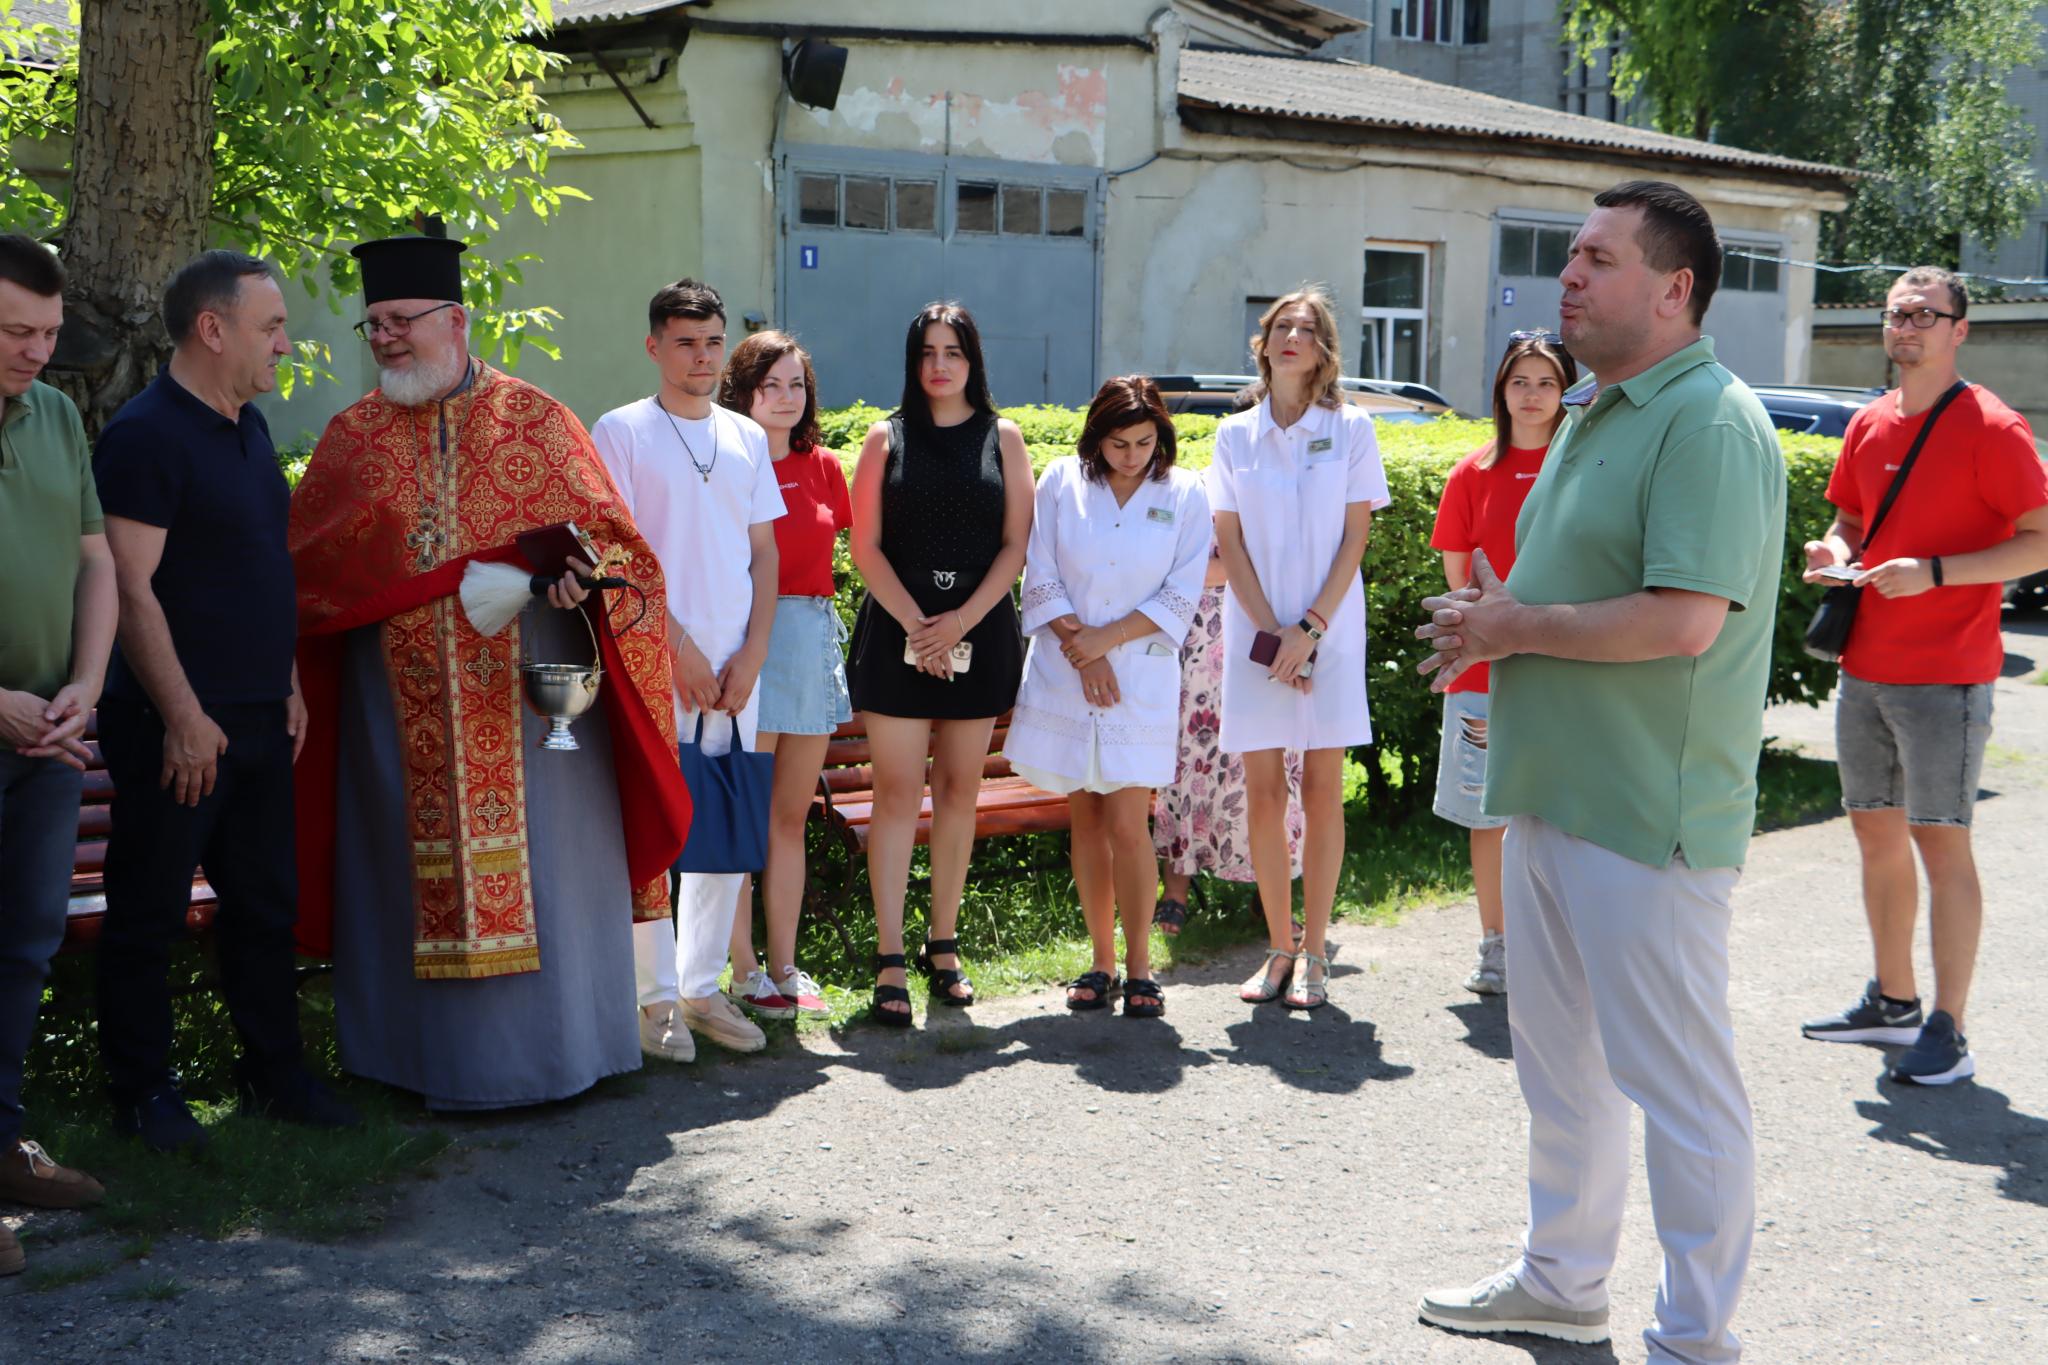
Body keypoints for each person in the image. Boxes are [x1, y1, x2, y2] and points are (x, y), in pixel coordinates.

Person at [1414, 181, 1784, 1364]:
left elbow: (1681, 621)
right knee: (1561, 1073)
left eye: (1596, 259)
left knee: (1678, 1091)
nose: (1565, 276)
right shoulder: (1595, 406)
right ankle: (1562, 1280)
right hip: (1554, 796)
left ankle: (1694, 1339)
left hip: (1646, 816)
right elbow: (1573, 589)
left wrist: (1512, 629)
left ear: (1674, 290)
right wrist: (1492, 618)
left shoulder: (1709, 422)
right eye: (1568, 256)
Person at [289, 236, 689, 1111]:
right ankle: (409, 1063)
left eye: (403, 321)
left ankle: (563, 1056)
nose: (387, 338)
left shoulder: (537, 421)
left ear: (456, 320)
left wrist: (579, 577)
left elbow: (623, 556)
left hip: (533, 715)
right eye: (376, 324)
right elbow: (307, 580)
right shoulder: (351, 439)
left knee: (546, 873)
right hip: (393, 720)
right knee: (401, 878)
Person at [93, 251, 355, 1150]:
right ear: (214, 330)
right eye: (271, 327)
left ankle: (273, 1075)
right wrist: (182, 716)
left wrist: (283, 681)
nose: (287, 343)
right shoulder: (145, 435)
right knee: (150, 912)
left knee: (264, 906)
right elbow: (132, 589)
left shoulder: (245, 427)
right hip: (175, 726)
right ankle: (142, 1095)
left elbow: (257, 568)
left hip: (253, 717)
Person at [1797, 266, 2048, 1085]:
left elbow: (2040, 539)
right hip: (1866, 666)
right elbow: (1849, 520)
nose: (1906, 326)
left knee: (1943, 844)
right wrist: (1834, 554)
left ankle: (1951, 1027)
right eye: (1896, 313)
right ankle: (1895, 1002)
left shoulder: (1994, 427)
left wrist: (1936, 573)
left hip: (1949, 676)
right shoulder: (1868, 423)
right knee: (1875, 833)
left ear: (1959, 331)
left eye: (1924, 315)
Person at [593, 279, 783, 1059]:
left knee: (722, 816)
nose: (700, 357)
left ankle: (703, 988)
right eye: (684, 342)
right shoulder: (623, 432)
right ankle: (653, 998)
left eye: (711, 342)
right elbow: (613, 554)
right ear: (654, 346)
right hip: (653, 658)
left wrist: (754, 651)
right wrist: (678, 649)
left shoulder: (744, 436)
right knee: (656, 824)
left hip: (739, 664)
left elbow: (766, 553)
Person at [845, 302, 1031, 1025]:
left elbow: (1016, 544)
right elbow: (865, 548)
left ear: (972, 359)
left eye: (952, 351)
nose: (939, 364)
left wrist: (959, 619)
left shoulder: (1003, 438)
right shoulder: (882, 439)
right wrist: (918, 626)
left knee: (959, 792)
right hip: (898, 633)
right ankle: (891, 956)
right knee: (896, 794)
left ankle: (943, 945)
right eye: (927, 352)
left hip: (978, 631)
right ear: (913, 362)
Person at [1005, 377, 1210, 1018]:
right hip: (1070, 673)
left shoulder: (1185, 492)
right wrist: (1082, 649)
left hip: (1139, 677)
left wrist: (1106, 643)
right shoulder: (1063, 481)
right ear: (1097, 437)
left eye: (1145, 442)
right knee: (1086, 820)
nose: (1131, 456)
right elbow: (1041, 573)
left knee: (1129, 822)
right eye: (1118, 443)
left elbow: (1184, 589)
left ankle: (1142, 966)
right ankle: (1099, 962)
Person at [1208, 286, 1388, 1011]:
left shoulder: (1351, 429)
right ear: (1263, 342)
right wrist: (1272, 634)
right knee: (1263, 791)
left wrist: (1308, 629)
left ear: (1323, 349)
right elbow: (1228, 540)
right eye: (1281, 325)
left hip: (1331, 633)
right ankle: (1278, 947)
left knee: (1320, 790)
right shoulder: (1233, 435)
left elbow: (1355, 537)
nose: (1291, 336)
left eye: (1306, 328)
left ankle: (1316, 952)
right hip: (1258, 637)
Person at [0, 235, 114, 1270]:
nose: (36, 352)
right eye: (13, 332)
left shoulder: (55, 413)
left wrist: (82, 685)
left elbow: (95, 563)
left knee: (24, 945)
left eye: (45, 332)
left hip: (47, 734)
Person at [1428, 332, 1578, 994]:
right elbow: (1461, 588)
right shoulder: (1471, 474)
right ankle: (1497, 945)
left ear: (1567, 391)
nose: (1534, 394)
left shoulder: (1585, 471)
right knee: (1489, 819)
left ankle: (1560, 946)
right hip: (1483, 673)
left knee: (1560, 815)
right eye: (1521, 380)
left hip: (1568, 669)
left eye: (1547, 381)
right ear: (1501, 390)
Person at [715, 331, 848, 1021]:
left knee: (789, 819)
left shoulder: (825, 465)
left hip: (812, 642)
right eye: (772, 385)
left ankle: (785, 967)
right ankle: (741, 971)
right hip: (751, 645)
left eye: (797, 385)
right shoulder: (724, 462)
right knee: (743, 813)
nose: (787, 398)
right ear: (743, 391)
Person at [1150, 541, 1306, 937]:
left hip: (1267, 636)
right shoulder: (1192, 491)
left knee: (1266, 772)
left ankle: (1273, 893)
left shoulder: (1273, 494)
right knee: (1191, 761)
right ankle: (1176, 888)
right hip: (1200, 648)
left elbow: (1288, 563)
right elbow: (1171, 568)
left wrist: (1230, 566)